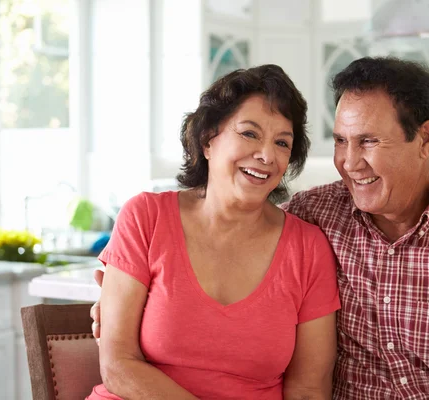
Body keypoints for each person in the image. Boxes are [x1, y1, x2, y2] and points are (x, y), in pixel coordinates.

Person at [92, 57, 429, 399]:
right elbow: (124, 352)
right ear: (208, 138)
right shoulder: (317, 215)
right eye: (341, 141)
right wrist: (112, 298)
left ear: (425, 139)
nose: (350, 164)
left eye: (369, 141)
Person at [86, 64, 341, 400]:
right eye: (249, 133)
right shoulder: (146, 216)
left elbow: (308, 390)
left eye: (282, 142)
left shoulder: (308, 248)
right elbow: (118, 364)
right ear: (207, 140)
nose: (266, 155)